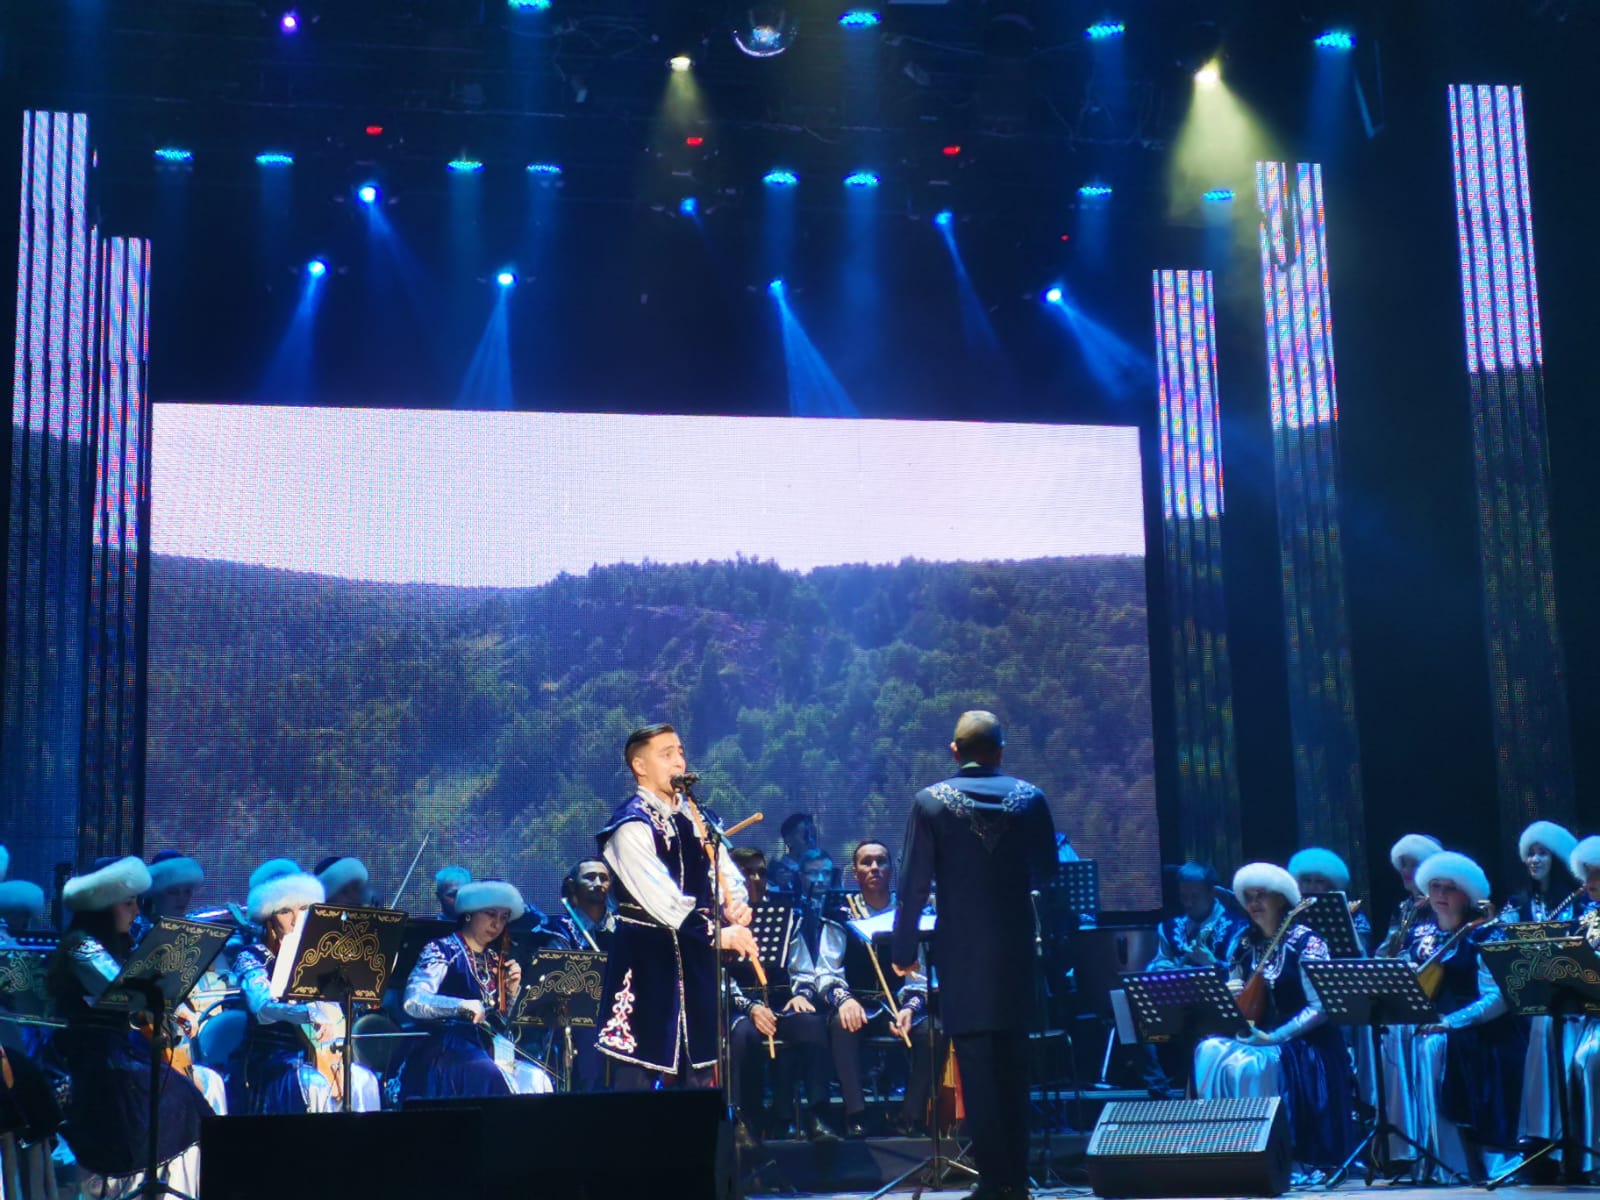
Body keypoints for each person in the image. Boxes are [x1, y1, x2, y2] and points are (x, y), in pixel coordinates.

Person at [892, 711, 1056, 1200]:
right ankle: (1017, 1182)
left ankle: (992, 1181)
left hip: (962, 955)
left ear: (954, 750)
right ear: (1001, 751)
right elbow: (1050, 875)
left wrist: (903, 949)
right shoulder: (1031, 798)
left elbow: (913, 885)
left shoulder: (930, 803)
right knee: (1015, 1068)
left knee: (977, 1067)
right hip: (1016, 952)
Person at [595, 723, 758, 1089]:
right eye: (666, 755)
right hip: (647, 962)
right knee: (637, 1073)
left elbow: (724, 872)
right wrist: (718, 934)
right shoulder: (630, 824)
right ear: (640, 766)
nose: (679, 762)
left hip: (695, 960)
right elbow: (661, 897)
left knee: (699, 1073)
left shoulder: (699, 818)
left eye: (681, 753)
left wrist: (735, 905)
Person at [45, 856, 212, 1198]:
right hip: (90, 1059)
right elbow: (123, 990)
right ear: (104, 907)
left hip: (119, 1054)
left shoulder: (119, 944)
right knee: (173, 1099)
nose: (137, 910)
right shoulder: (81, 945)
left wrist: (176, 1005)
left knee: (184, 1095)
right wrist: (163, 999)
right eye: (128, 902)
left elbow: (143, 987)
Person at [1194, 862, 1356, 1183]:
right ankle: (1222, 1152)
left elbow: (1321, 1007)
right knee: (1208, 1050)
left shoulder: (1307, 942)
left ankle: (1271, 1158)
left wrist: (1276, 1037)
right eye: (1249, 897)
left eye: (1262, 896)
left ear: (1281, 898)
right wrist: (1230, 994)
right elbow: (1240, 1005)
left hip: (1306, 1044)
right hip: (1259, 1036)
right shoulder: (1244, 943)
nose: (1254, 903)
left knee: (1251, 1065)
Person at [1384, 851, 1523, 1182]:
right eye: (1435, 887)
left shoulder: (1487, 934)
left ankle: (1455, 1162)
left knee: (1432, 1046)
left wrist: (1450, 1023)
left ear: (1468, 894)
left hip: (1481, 1033)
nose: (1441, 895)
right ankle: (1415, 1154)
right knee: (1392, 1037)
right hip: (1434, 1025)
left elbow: (1498, 998)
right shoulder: (1420, 936)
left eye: (1450, 888)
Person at [228, 862, 381, 1114]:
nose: (296, 919)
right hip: (275, 1057)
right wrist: (308, 1013)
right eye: (285, 911)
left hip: (326, 1053)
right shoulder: (252, 956)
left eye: (303, 909)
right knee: (313, 1085)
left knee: (363, 1080)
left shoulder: (321, 952)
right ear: (269, 917)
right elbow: (263, 1007)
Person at [400, 879, 553, 1099]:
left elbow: (502, 1021)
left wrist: (511, 991)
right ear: (469, 914)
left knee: (535, 1077)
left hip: (487, 1047)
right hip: (446, 1046)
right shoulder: (442, 950)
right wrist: (460, 1005)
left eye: (503, 917)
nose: (497, 924)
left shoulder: (494, 959)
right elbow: (413, 1000)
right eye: (490, 914)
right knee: (486, 1075)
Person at [830, 839, 933, 1136]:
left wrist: (910, 1008)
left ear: (891, 870)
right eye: (867, 862)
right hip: (859, 1004)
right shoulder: (841, 913)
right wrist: (845, 1000)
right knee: (840, 1024)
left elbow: (921, 974)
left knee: (934, 1031)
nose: (874, 867)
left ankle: (910, 1115)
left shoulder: (911, 913)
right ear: (855, 873)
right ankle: (857, 1114)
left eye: (881, 861)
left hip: (901, 1004)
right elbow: (828, 968)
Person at [1506, 821, 1581, 1159]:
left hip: (1574, 1002)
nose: (1534, 860)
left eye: (1543, 854)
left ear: (1558, 860)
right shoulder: (1517, 905)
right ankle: (1539, 1138)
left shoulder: (1579, 905)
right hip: (1531, 1001)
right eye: (1530, 854)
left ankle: (1570, 1140)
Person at [1141, 862, 1247, 1096]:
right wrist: (1165, 968)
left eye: (1194, 896)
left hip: (1219, 1003)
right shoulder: (1169, 927)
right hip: (1177, 1001)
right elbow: (1158, 963)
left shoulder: (1238, 926)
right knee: (1131, 1011)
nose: (1188, 903)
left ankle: (1199, 1088)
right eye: (1184, 896)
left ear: (1212, 893)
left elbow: (1241, 973)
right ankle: (1158, 1087)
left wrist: (1211, 962)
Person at [1288, 846, 1373, 952]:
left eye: (1319, 881)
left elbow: (1362, 949)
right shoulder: (1291, 911)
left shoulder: (1352, 911)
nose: (1312, 886)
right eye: (1307, 881)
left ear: (1332, 885)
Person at [1381, 834, 1444, 956]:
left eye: (1414, 865)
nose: (1405, 870)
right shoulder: (1402, 908)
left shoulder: (1444, 907)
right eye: (1403, 864)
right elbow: (1384, 952)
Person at [553, 859, 617, 953]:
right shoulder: (558, 929)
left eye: (603, 878)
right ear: (572, 885)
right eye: (590, 878)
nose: (598, 884)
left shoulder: (627, 928)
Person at [771, 814, 818, 895]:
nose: (811, 840)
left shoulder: (822, 872)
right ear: (788, 840)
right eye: (805, 835)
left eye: (813, 835)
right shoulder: (774, 872)